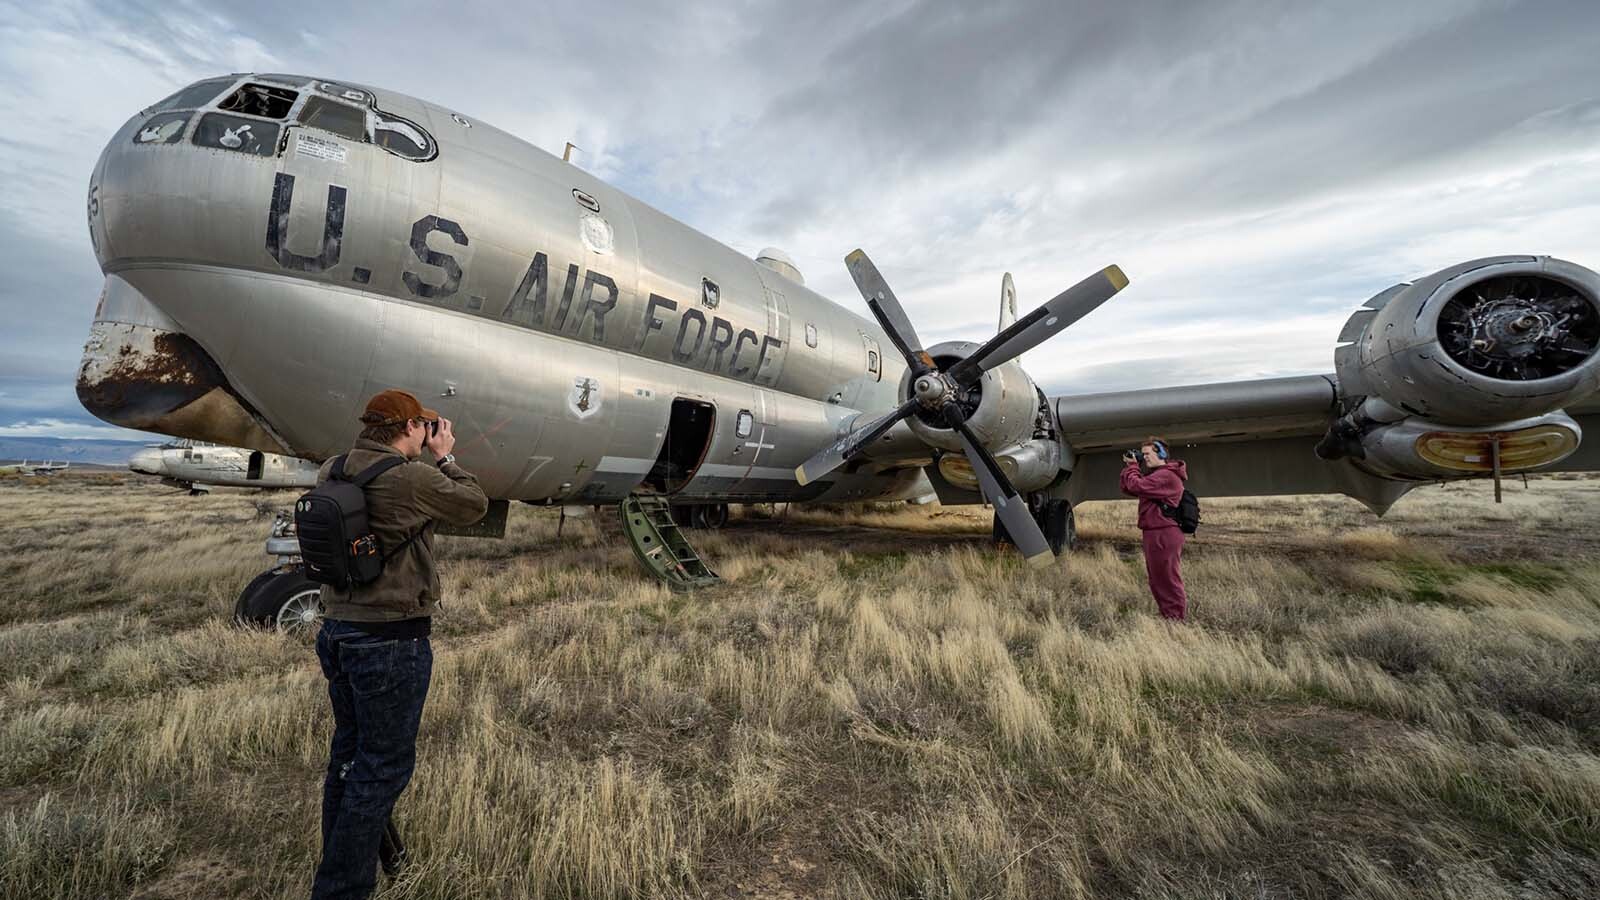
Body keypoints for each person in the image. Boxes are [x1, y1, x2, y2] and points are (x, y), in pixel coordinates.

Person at [311, 389, 488, 900]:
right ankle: (342, 889)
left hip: (337, 630)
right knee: (381, 769)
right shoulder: (410, 477)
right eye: (425, 426)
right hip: (390, 638)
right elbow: (473, 505)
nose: (430, 433)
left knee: (348, 756)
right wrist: (446, 455)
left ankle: (364, 861)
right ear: (410, 427)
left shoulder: (334, 469)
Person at [1119, 437, 1189, 621]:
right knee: (1158, 580)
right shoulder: (1158, 476)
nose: (1145, 458)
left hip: (1163, 532)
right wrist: (1130, 468)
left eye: (1147, 454)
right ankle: (1169, 616)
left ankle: (1176, 619)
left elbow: (1136, 485)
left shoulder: (1166, 476)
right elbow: (1129, 488)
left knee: (1167, 579)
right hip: (1155, 532)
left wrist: (1133, 467)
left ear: (1162, 453)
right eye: (1143, 455)